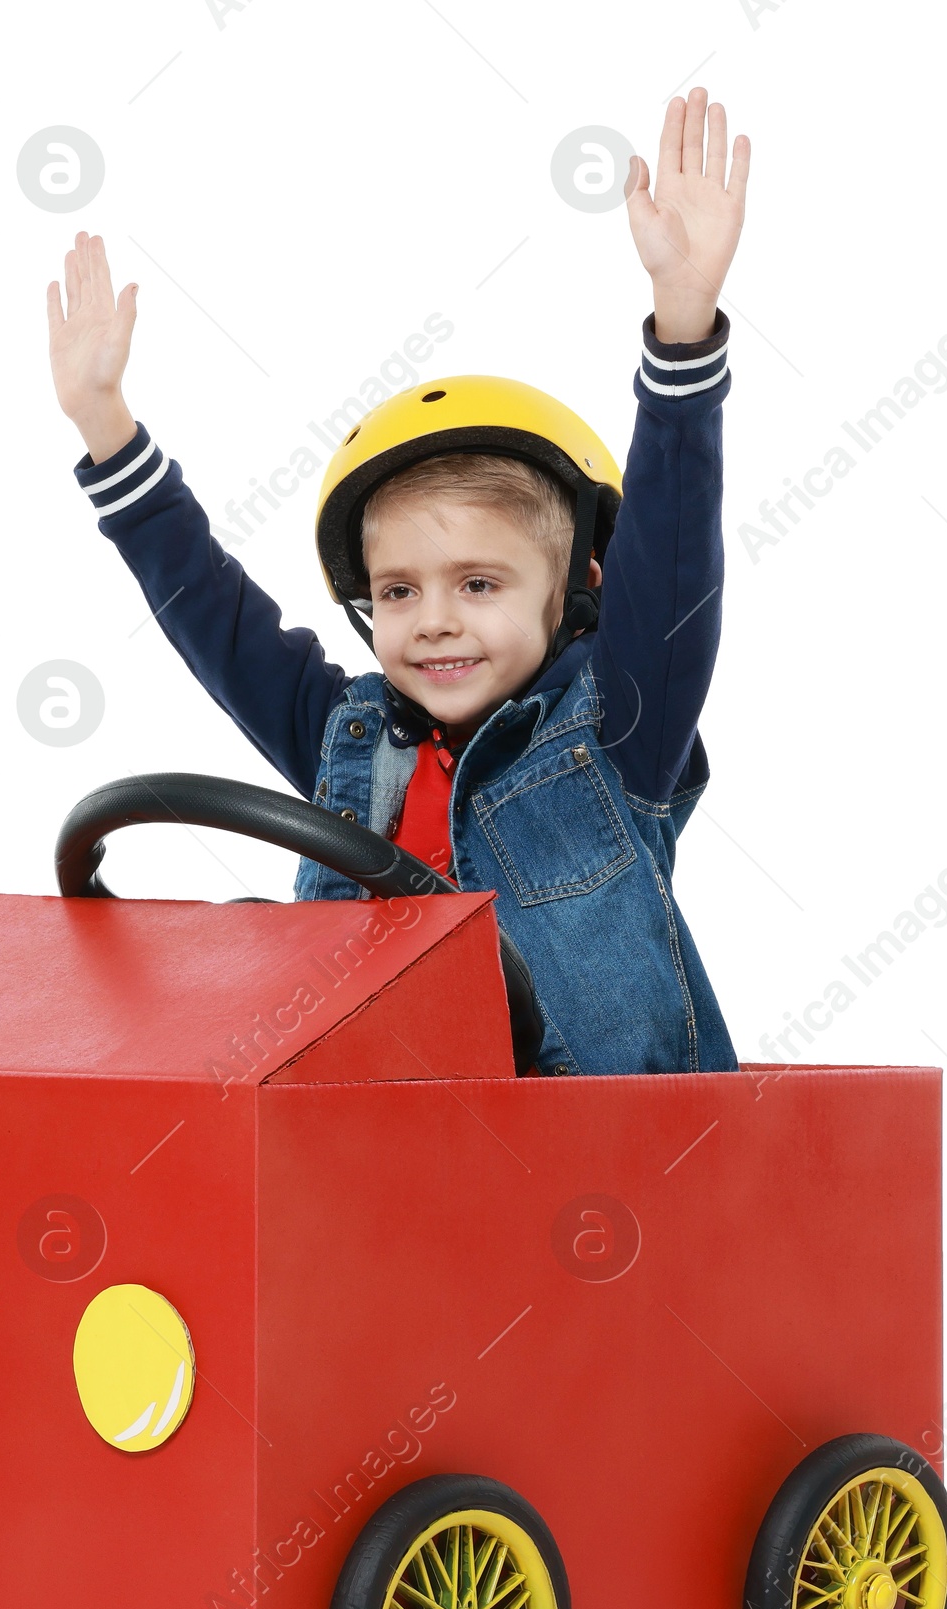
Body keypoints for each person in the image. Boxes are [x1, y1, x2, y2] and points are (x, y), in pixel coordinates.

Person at [46, 90, 751, 1078]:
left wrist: (682, 332)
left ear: (581, 586)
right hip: (376, 1166)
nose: (433, 622)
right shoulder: (350, 741)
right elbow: (219, 622)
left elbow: (672, 562)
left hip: (601, 1184)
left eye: (477, 582)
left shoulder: (620, 727)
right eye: (401, 591)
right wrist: (106, 430)